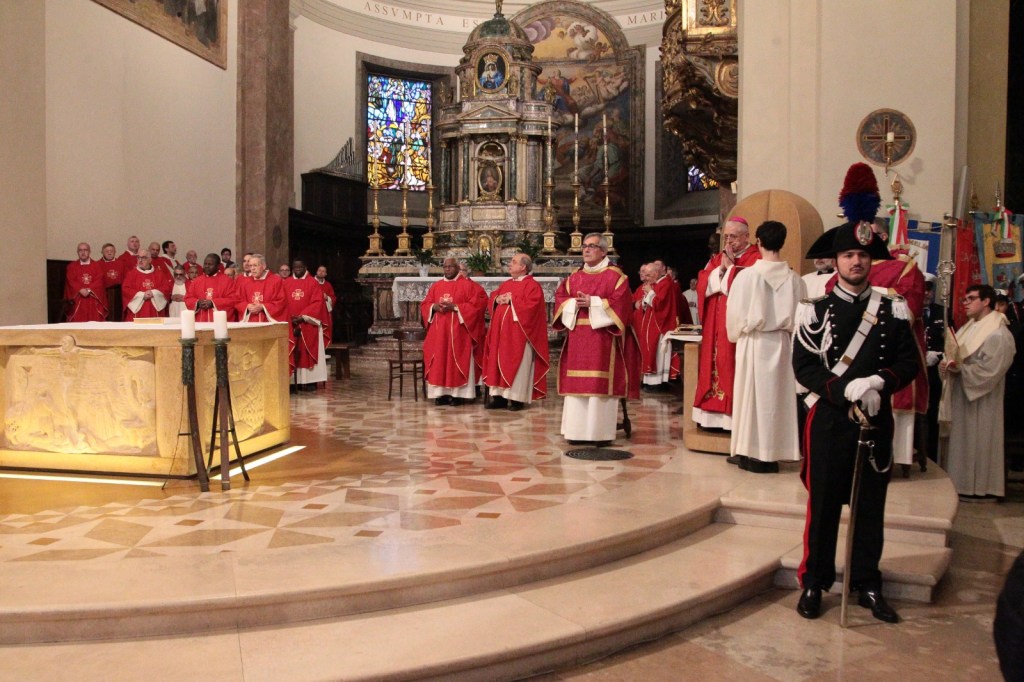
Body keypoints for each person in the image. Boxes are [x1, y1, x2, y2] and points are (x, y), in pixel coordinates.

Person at [791, 221, 918, 623]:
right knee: (824, 504)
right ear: (836, 261)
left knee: (869, 506)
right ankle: (815, 581)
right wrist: (842, 389)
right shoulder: (815, 310)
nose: (856, 261)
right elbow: (804, 366)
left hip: (874, 420)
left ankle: (867, 583)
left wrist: (879, 381)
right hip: (830, 420)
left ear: (871, 260)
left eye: (863, 255)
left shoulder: (892, 307)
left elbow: (909, 362)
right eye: (848, 255)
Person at [725, 221, 804, 473]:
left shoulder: (747, 276)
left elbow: (734, 315)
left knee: (751, 398)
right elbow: (802, 319)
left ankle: (749, 452)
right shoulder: (795, 280)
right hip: (783, 343)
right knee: (777, 400)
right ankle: (773, 453)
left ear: (757, 242)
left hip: (754, 341)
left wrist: (736, 334)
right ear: (783, 242)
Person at [553, 233, 633, 444]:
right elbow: (561, 298)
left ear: (604, 251)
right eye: (585, 247)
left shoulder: (616, 277)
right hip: (578, 338)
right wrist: (573, 304)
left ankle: (599, 433)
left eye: (592, 246)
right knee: (577, 384)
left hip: (602, 339)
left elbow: (622, 304)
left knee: (598, 383)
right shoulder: (574, 277)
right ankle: (576, 432)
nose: (586, 250)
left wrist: (594, 303)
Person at [939, 284, 1015, 499]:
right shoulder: (969, 327)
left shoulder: (998, 333)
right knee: (961, 442)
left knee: (978, 440)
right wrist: (946, 366)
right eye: (965, 299)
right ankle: (958, 483)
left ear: (986, 301)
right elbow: (954, 354)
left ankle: (977, 487)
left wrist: (961, 369)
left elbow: (992, 370)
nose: (966, 303)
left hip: (982, 399)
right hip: (961, 394)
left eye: (971, 298)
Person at [692, 217, 762, 429]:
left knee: (729, 363)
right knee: (711, 364)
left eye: (734, 236)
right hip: (714, 322)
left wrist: (730, 270)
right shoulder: (717, 258)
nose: (729, 241)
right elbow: (703, 281)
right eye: (726, 237)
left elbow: (751, 287)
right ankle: (709, 417)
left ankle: (732, 419)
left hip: (735, 325)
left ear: (747, 237)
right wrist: (720, 271)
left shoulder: (755, 258)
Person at [481, 253, 550, 411]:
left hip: (519, 335)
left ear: (523, 267)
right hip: (500, 334)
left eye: (513, 262)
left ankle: (516, 399)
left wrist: (512, 300)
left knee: (518, 365)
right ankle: (499, 398)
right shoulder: (506, 284)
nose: (509, 265)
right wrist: (497, 300)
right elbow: (493, 297)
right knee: (497, 363)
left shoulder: (532, 286)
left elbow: (532, 308)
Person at [420, 258, 487, 406]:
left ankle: (457, 395)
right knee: (439, 361)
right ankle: (440, 394)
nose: (447, 269)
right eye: (445, 267)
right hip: (439, 333)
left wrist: (456, 307)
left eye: (450, 267)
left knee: (457, 361)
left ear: (457, 268)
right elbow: (425, 304)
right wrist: (433, 307)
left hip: (459, 332)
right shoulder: (436, 286)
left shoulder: (468, 286)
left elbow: (476, 306)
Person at [634, 260, 685, 391]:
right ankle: (650, 382)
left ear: (656, 273)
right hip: (652, 324)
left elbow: (660, 304)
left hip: (660, 325)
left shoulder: (666, 283)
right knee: (650, 351)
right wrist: (645, 300)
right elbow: (649, 302)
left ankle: (656, 383)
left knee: (657, 354)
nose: (647, 278)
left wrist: (651, 292)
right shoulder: (657, 283)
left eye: (649, 275)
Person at [282, 260, 329, 391]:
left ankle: (310, 381)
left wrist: (302, 316)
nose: (297, 269)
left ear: (305, 268)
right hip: (290, 323)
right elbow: (281, 301)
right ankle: (292, 382)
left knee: (307, 351)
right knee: (290, 351)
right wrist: (289, 317)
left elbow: (317, 302)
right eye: (295, 267)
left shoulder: (313, 283)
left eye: (300, 267)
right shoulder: (286, 283)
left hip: (308, 323)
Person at [185, 254, 239, 322]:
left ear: (218, 266)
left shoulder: (227, 281)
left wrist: (213, 303)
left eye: (210, 264)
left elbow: (233, 300)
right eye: (205, 264)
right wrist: (198, 303)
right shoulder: (197, 281)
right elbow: (188, 298)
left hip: (220, 322)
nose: (207, 266)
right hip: (200, 321)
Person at [235, 253, 287, 323]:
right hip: (250, 322)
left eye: (255, 265)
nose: (252, 268)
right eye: (250, 266)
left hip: (268, 323)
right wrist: (247, 306)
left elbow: (281, 302)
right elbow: (238, 300)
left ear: (264, 266)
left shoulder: (276, 281)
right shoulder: (245, 282)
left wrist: (263, 307)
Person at [122, 251, 172, 320]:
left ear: (150, 260)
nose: (140, 260)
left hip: (155, 311)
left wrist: (154, 293)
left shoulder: (159, 274)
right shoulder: (131, 274)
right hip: (138, 312)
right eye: (138, 257)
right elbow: (125, 289)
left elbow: (166, 287)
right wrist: (141, 295)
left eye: (143, 258)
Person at [64, 242, 107, 322]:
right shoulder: (72, 266)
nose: (83, 252)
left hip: (93, 299)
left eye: (85, 250)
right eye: (80, 250)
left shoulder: (97, 266)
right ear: (77, 252)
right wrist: (80, 289)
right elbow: (71, 280)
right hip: (78, 299)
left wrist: (89, 289)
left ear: (89, 251)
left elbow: (99, 280)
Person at [99, 243, 125, 322]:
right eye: (107, 251)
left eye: (111, 251)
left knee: (118, 316)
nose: (109, 252)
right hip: (104, 294)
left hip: (119, 294)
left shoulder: (121, 264)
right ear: (102, 252)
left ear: (115, 252)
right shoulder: (97, 265)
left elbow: (127, 279)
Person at [314, 265, 337, 347]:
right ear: (316, 271)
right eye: (319, 270)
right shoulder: (311, 282)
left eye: (323, 271)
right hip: (314, 311)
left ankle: (326, 349)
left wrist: (327, 297)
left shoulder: (328, 285)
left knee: (325, 330)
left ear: (326, 274)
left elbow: (333, 297)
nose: (321, 272)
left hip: (325, 312)